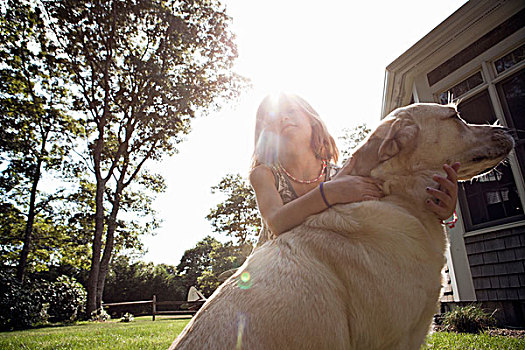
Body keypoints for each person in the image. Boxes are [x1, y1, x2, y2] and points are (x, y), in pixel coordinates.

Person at [249, 92, 459, 247]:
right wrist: (330, 192)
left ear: (312, 121)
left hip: (320, 264)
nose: (283, 118)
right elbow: (276, 222)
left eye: (290, 111)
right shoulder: (265, 174)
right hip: (272, 269)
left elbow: (393, 202)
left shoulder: (343, 174)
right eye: (273, 117)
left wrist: (442, 212)